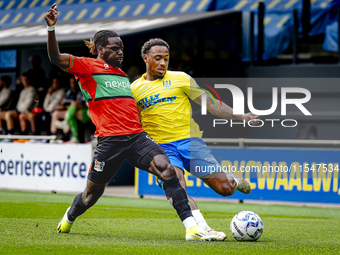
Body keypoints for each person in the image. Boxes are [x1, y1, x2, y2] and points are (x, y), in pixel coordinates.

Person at [45, 4, 216, 241]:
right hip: (109, 141)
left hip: (137, 137)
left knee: (167, 170)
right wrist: (51, 29)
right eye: (115, 49)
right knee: (90, 196)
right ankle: (69, 216)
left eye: (122, 49)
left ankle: (192, 228)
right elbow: (56, 58)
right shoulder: (87, 66)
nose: (121, 53)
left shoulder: (123, 76)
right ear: (100, 49)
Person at [131, 38, 260, 240]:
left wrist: (240, 116)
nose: (163, 63)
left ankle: (231, 178)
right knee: (178, 187)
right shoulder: (134, 90)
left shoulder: (181, 78)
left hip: (190, 142)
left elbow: (210, 103)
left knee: (225, 189)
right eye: (158, 58)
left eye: (166, 58)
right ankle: (200, 228)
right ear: (145, 58)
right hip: (162, 148)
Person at [3, 72, 37, 138]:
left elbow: (27, 105)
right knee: (8, 114)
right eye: (23, 80)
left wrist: (18, 110)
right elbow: (19, 104)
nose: (24, 81)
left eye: (26, 79)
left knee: (22, 116)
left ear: (29, 80)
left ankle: (25, 135)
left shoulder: (32, 89)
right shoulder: (22, 90)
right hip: (19, 110)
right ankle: (9, 134)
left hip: (28, 111)